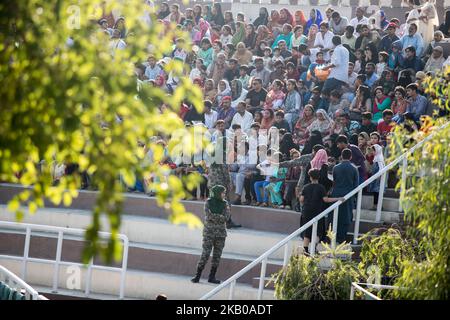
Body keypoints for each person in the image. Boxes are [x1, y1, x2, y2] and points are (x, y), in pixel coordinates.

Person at [191, 185, 230, 284]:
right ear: (217, 193)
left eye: (224, 193)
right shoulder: (208, 202)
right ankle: (197, 275)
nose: (224, 195)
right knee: (205, 254)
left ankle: (212, 277)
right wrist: (219, 217)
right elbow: (208, 215)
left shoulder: (225, 204)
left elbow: (226, 217)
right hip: (209, 233)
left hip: (221, 234)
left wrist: (215, 216)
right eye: (222, 193)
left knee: (217, 256)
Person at [300, 168, 344, 253]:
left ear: (310, 177)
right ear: (319, 177)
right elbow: (326, 200)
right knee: (318, 232)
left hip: (306, 211)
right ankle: (313, 247)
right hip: (317, 212)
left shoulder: (306, 187)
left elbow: (301, 199)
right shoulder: (321, 188)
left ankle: (305, 250)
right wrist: (338, 199)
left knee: (307, 231)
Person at [330, 148, 359, 244]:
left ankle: (333, 237)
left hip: (336, 193)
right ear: (351, 156)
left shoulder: (336, 167)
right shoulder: (354, 168)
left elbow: (334, 181)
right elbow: (356, 185)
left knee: (335, 216)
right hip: (348, 195)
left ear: (341, 156)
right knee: (346, 217)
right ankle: (341, 238)